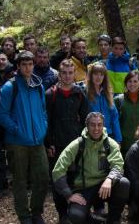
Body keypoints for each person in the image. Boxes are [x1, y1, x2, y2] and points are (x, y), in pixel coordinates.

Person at [0, 51, 50, 224]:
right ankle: (24, 216)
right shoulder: (10, 87)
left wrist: (43, 127)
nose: (27, 68)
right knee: (19, 181)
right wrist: (17, 130)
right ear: (18, 66)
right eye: (24, 64)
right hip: (17, 142)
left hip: (38, 141)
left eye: (30, 64)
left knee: (42, 177)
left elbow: (43, 111)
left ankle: (36, 212)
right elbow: (2, 115)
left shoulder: (38, 85)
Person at [51, 112, 130, 224]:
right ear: (87, 126)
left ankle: (113, 219)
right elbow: (58, 170)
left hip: (104, 187)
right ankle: (93, 219)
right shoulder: (77, 144)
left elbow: (118, 165)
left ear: (103, 126)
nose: (96, 128)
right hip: (84, 189)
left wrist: (110, 179)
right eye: (92, 125)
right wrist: (68, 194)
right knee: (76, 216)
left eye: (99, 125)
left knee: (123, 183)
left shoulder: (110, 144)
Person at [45, 59, 90, 220]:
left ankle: (77, 210)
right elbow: (47, 121)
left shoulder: (79, 93)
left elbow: (86, 119)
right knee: (59, 178)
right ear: (59, 74)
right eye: (64, 73)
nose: (67, 76)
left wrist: (86, 141)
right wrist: (49, 143)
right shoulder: (51, 94)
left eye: (70, 73)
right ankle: (62, 213)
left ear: (74, 73)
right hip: (57, 143)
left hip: (76, 141)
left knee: (76, 177)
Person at [0, 53, 15, 190]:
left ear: (7, 60)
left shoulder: (15, 76)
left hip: (11, 117)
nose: (0, 62)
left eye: (3, 59)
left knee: (12, 150)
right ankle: (2, 179)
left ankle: (15, 178)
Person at [86, 62, 122, 143]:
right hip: (91, 136)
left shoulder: (108, 93)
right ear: (91, 75)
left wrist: (118, 139)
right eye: (95, 74)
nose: (98, 77)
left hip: (109, 135)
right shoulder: (85, 93)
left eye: (101, 74)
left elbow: (115, 117)